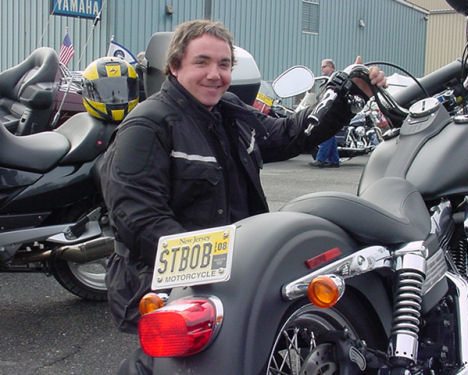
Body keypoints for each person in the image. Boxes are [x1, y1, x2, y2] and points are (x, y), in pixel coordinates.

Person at [98, 19, 386, 374]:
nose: (214, 74)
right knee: (173, 366)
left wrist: (347, 96)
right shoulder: (148, 125)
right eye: (201, 62)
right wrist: (207, 269)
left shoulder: (228, 110)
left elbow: (289, 136)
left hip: (231, 272)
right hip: (166, 281)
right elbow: (138, 220)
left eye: (223, 64)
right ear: (175, 67)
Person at [309, 58, 341, 168]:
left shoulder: (335, 78)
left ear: (331, 67)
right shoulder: (326, 79)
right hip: (329, 111)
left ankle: (320, 159)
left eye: (324, 66)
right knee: (330, 135)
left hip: (330, 111)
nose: (321, 69)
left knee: (325, 134)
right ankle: (334, 160)